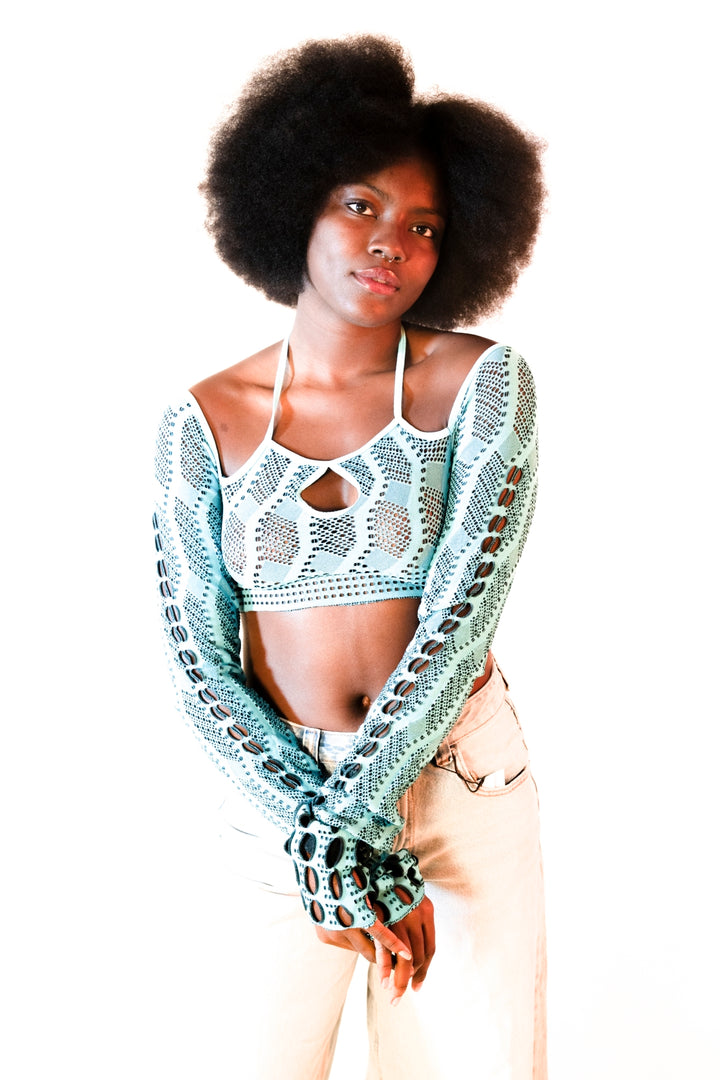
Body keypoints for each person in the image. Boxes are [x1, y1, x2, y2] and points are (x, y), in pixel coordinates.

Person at [153, 34, 546, 1079]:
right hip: (276, 797)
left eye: (424, 226)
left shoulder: (484, 384)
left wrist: (355, 825)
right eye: (361, 205)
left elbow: (463, 614)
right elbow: (197, 662)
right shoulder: (203, 419)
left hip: (458, 782)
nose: (390, 244)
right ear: (295, 203)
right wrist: (322, 837)